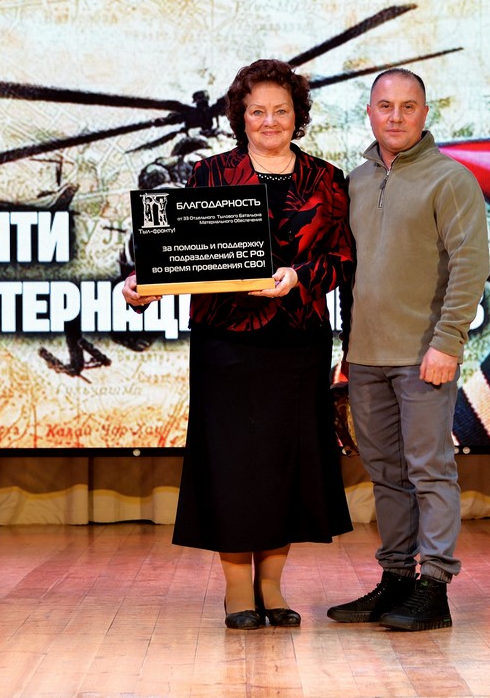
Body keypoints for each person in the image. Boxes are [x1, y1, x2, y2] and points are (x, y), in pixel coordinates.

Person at [123, 59, 353, 630]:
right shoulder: (209, 173)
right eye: (257, 111)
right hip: (225, 344)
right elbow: (182, 255)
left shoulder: (328, 180)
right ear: (240, 117)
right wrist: (143, 286)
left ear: (298, 115)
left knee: (284, 466)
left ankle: (271, 587)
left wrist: (299, 276)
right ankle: (235, 591)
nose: (269, 121)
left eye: (281, 110)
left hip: (298, 343)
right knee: (231, 467)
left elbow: (343, 260)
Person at [327, 69, 489, 631]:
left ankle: (435, 586)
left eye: (408, 106)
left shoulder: (451, 179)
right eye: (385, 106)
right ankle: (396, 578)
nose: (395, 116)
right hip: (365, 357)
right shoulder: (355, 181)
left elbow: (470, 266)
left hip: (424, 356)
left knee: (429, 471)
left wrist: (448, 342)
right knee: (385, 473)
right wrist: (347, 350)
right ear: (369, 112)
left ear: (425, 112)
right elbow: (350, 276)